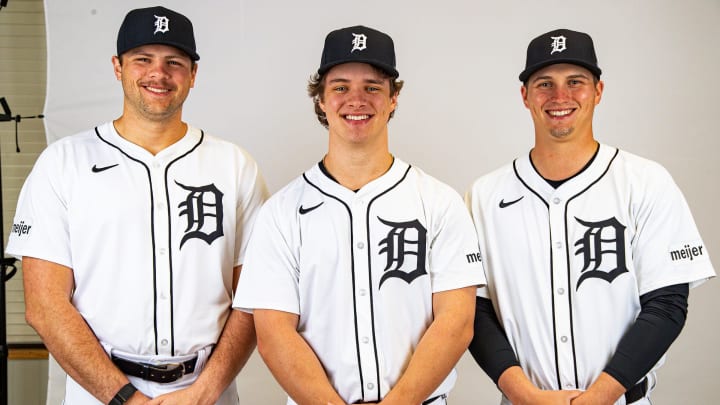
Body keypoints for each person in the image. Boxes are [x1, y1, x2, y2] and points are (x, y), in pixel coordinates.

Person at [7, 6, 267, 404]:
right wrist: (125, 398)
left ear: (193, 74)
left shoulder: (235, 166)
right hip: (100, 392)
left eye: (174, 62)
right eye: (142, 59)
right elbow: (44, 306)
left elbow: (254, 297)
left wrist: (202, 393)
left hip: (206, 392)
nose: (158, 74)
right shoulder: (63, 164)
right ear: (118, 66)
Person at [233, 25, 485, 405]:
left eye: (372, 87)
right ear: (320, 98)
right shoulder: (281, 212)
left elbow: (456, 323)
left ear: (393, 97)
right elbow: (273, 335)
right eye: (340, 87)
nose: (356, 99)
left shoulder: (439, 202)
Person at [465, 28, 716, 405]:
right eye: (544, 83)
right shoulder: (484, 195)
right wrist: (524, 395)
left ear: (598, 91)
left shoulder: (644, 181)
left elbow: (667, 303)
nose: (560, 96)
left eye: (575, 82)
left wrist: (601, 395)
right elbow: (475, 311)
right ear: (525, 96)